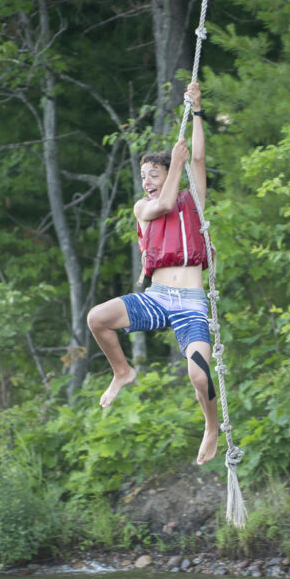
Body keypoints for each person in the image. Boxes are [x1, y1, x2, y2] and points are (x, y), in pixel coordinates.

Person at [86, 82, 219, 466]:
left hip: (191, 304)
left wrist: (195, 111)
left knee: (198, 376)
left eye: (153, 173)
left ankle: (211, 427)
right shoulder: (143, 207)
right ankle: (123, 371)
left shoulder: (192, 200)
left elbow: (197, 161)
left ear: (166, 174)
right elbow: (161, 204)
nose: (146, 180)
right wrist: (172, 165)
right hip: (157, 299)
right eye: (143, 175)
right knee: (97, 318)